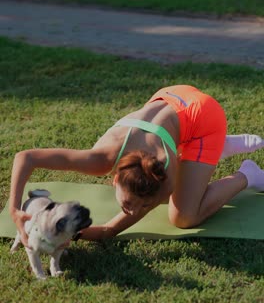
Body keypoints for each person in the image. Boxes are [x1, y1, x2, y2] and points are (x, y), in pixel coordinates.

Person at [9, 84, 264, 248]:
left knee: (183, 216)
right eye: (131, 203)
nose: (135, 211)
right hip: (174, 96)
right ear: (115, 179)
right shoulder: (100, 159)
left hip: (204, 118)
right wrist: (14, 210)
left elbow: (109, 230)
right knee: (174, 198)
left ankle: (246, 174)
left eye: (143, 205)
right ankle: (214, 149)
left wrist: (74, 234)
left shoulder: (163, 174)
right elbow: (26, 157)